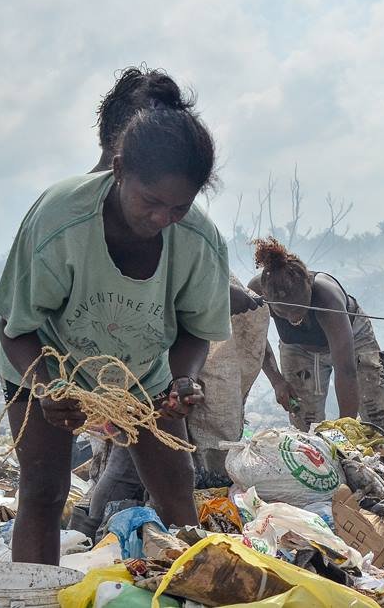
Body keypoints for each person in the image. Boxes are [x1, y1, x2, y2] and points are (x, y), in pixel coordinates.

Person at [0, 103, 230, 564]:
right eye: (151, 201)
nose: (162, 218)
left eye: (179, 207)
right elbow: (13, 327)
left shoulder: (201, 242)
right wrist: (48, 387)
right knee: (43, 492)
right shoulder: (61, 220)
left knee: (177, 493)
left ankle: (197, 585)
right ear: (119, 169)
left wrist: (185, 380)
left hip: (143, 371)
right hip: (46, 360)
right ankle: (34, 595)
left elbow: (195, 332)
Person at [66, 68, 267, 537]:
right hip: (109, 360)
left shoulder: (180, 219)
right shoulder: (82, 206)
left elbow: (196, 308)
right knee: (134, 452)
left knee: (153, 456)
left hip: (154, 364)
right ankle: (107, 529)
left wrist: (181, 375)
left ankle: (131, 534)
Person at [248, 237, 384, 448]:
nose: (293, 319)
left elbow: (346, 371)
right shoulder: (257, 291)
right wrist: (277, 381)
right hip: (297, 349)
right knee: (304, 424)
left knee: (375, 412)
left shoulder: (327, 298)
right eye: (283, 313)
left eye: (298, 309)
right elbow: (254, 339)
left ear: (309, 287)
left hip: (354, 339)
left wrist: (344, 431)